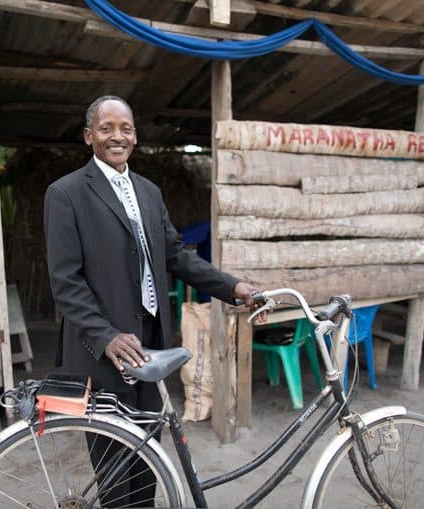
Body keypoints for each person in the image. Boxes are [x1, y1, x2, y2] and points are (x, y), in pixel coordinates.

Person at [44, 95, 264, 506]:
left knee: (147, 458)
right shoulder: (66, 193)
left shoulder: (148, 191)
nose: (117, 136)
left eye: (125, 128)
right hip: (101, 347)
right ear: (88, 135)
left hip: (149, 341)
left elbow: (175, 255)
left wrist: (232, 287)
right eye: (106, 128)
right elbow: (65, 281)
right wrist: (106, 335)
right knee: (112, 470)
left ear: (135, 136)